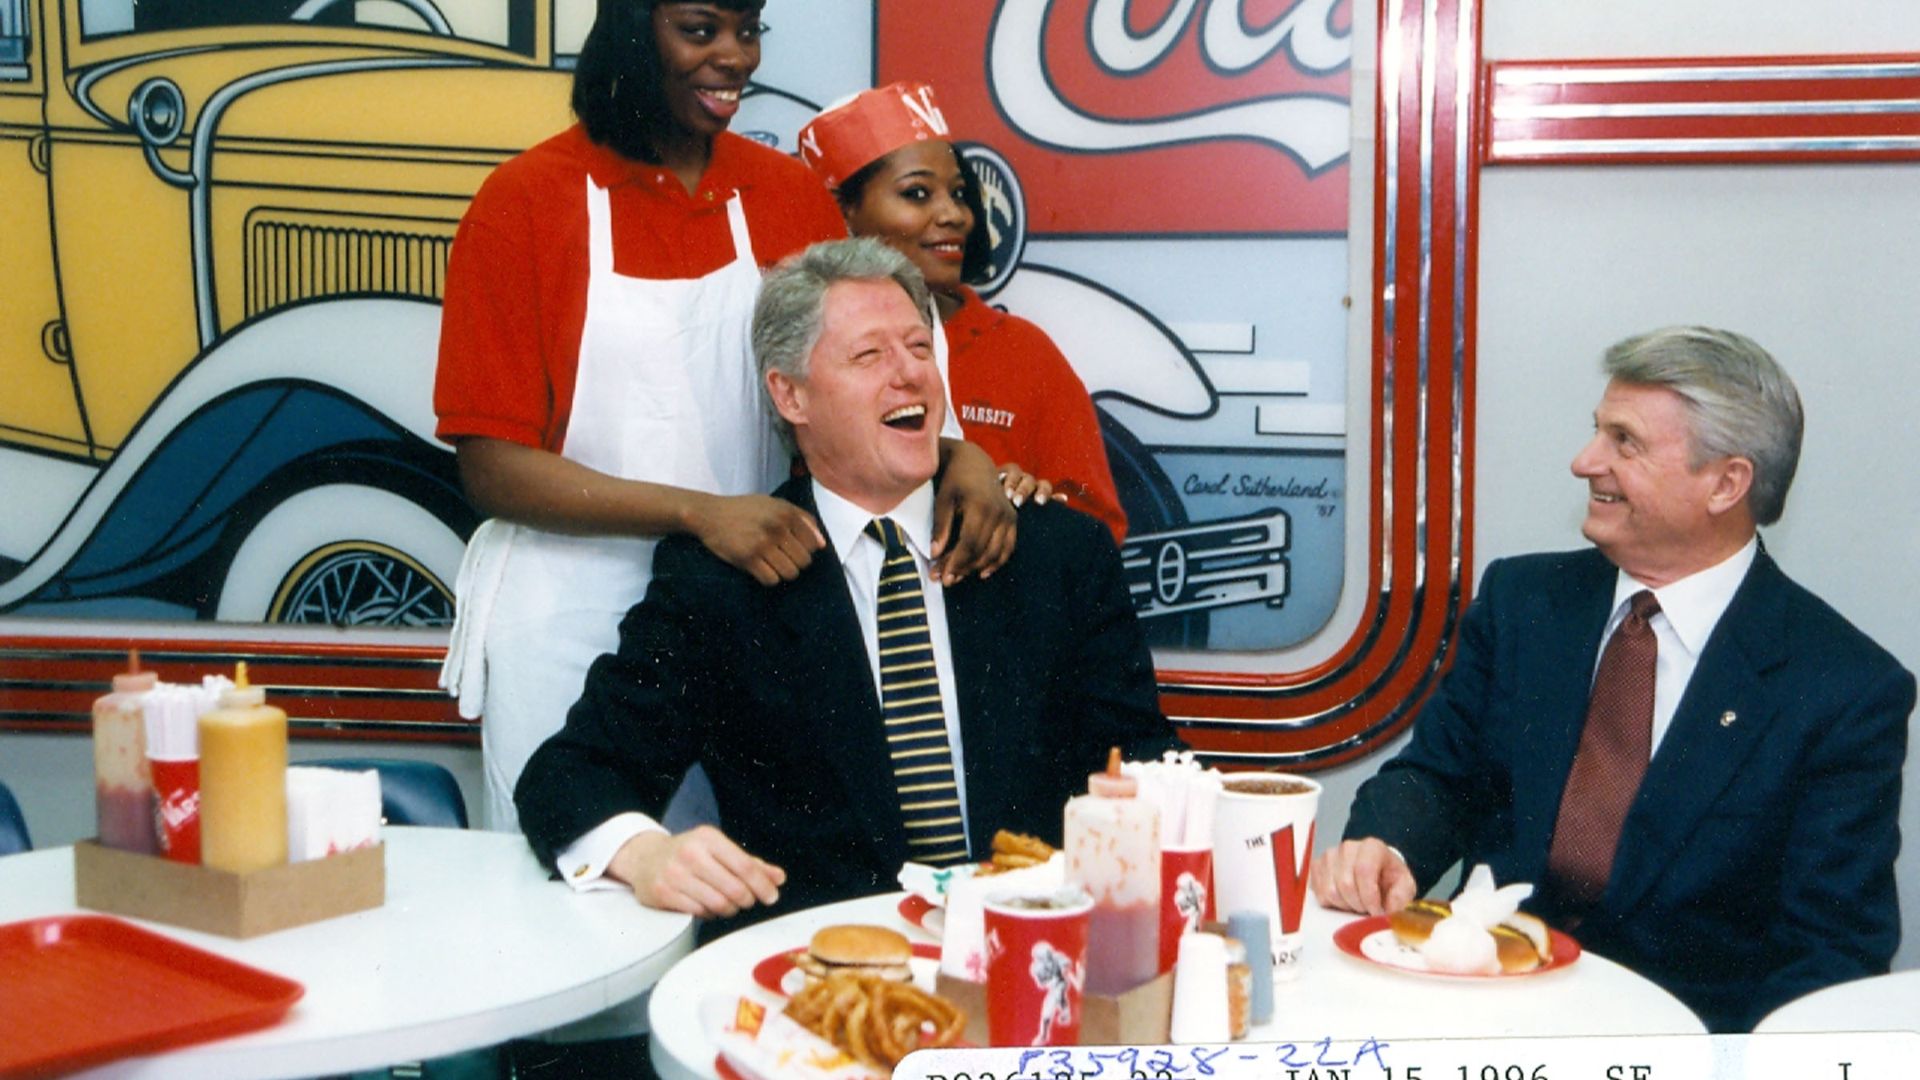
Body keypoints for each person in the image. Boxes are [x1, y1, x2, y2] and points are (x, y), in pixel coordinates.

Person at [432, 2, 1019, 831]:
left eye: (748, 31)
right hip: (570, 619)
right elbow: (490, 466)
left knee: (740, 882)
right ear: (633, 30)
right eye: (702, 30)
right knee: (584, 866)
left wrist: (964, 458)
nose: (735, 58)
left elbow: (877, 391)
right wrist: (699, 514)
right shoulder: (524, 202)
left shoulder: (785, 195)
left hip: (751, 604)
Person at [515, 238, 1183, 936]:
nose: (910, 376)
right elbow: (570, 774)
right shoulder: (720, 583)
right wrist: (647, 854)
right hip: (815, 980)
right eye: (870, 356)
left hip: (1030, 957)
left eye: (920, 350)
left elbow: (1144, 761)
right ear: (791, 394)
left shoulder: (1053, 553)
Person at [1312, 326, 1913, 1032]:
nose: (1583, 461)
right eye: (1597, 432)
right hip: (1479, 1012)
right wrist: (1388, 848)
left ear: (1727, 483)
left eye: (1623, 442)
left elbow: (1832, 954)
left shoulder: (1842, 687)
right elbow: (1438, 779)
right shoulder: (1522, 603)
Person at [797, 82, 1129, 542]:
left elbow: (1098, 528)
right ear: (844, 211)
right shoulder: (808, 348)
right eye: (917, 194)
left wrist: (1024, 507)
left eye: (958, 193)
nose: (955, 215)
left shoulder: (1021, 350)